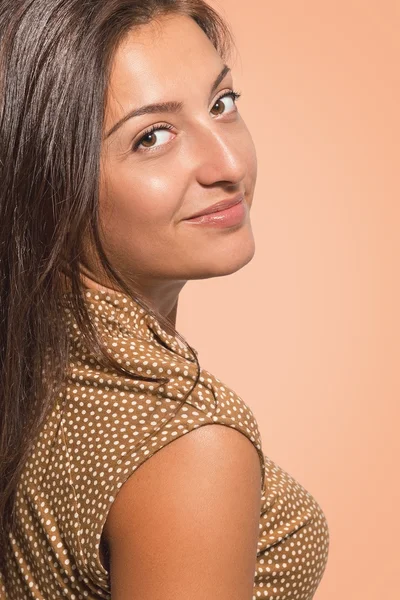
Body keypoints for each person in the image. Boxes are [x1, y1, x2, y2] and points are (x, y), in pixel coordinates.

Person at [0, 1, 330, 598]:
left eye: (221, 104)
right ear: (46, 180)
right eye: (152, 136)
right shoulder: (184, 441)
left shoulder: (36, 365)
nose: (229, 165)